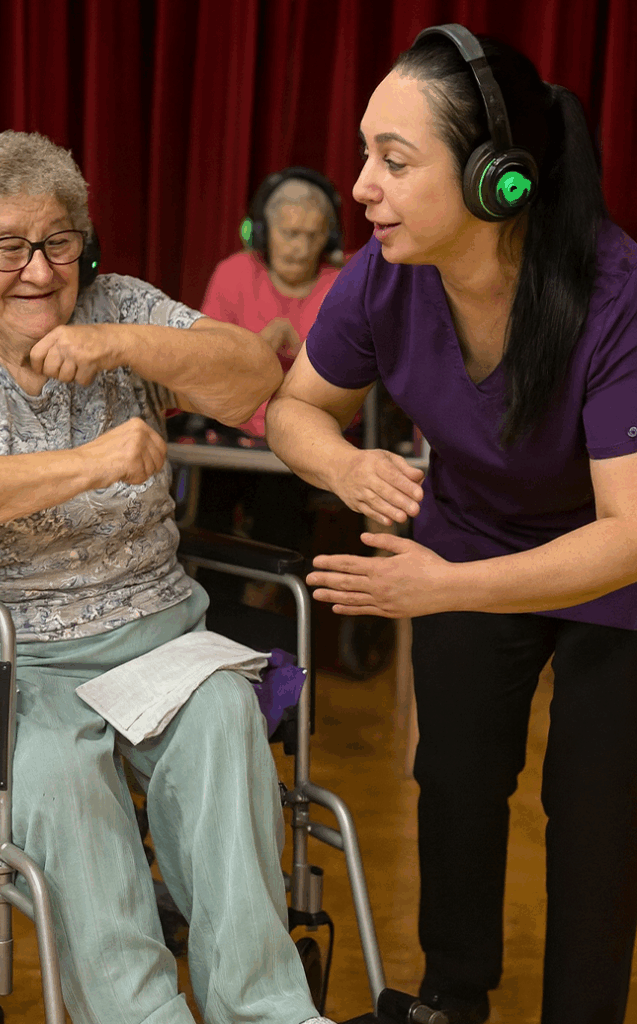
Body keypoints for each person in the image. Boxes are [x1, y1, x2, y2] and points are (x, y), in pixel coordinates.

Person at [0, 130, 337, 1024]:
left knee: (220, 720)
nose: (39, 271)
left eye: (58, 243)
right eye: (6, 248)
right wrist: (87, 465)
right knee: (58, 778)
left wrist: (121, 343)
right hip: (3, 659)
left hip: (154, 634)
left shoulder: (114, 303)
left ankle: (268, 1009)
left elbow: (252, 377)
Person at [266, 23, 637, 1024]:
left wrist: (442, 586)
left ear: (498, 181)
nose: (360, 186)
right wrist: (346, 463)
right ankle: (451, 999)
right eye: (363, 152)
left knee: (597, 817)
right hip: (470, 535)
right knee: (458, 779)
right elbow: (293, 408)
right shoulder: (387, 275)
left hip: (613, 568)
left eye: (394, 160)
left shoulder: (613, 293)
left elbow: (629, 531)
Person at [192, 169, 345, 589]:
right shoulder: (234, 274)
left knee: (283, 540)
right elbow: (205, 368)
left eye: (313, 236)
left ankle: (273, 618)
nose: (299, 248)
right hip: (228, 438)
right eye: (289, 233)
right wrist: (258, 350)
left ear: (328, 239)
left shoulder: (341, 285)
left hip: (300, 445)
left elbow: (346, 384)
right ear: (262, 233)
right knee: (214, 542)